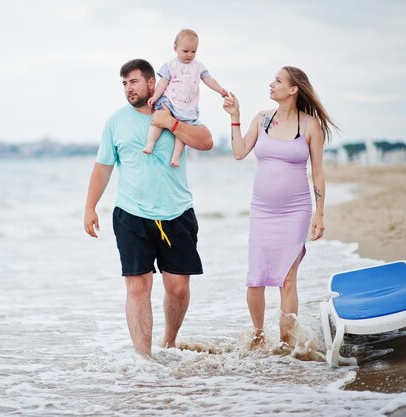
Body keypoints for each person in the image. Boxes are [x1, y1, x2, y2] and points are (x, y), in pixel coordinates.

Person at [84, 59, 214, 358]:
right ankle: (144, 359)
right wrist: (90, 207)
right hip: (131, 214)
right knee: (138, 288)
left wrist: (172, 123)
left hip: (177, 212)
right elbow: (103, 167)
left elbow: (206, 141)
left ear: (151, 83)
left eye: (134, 81)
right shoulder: (115, 121)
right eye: (124, 84)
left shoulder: (176, 111)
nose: (129, 88)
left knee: (178, 288)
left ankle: (168, 343)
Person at [222, 66, 338, 349]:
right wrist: (235, 117)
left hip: (296, 211)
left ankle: (287, 343)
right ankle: (259, 337)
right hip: (262, 211)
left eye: (277, 80)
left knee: (287, 278)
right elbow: (239, 152)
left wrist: (319, 214)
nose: (271, 84)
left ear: (293, 89)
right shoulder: (262, 119)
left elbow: (318, 173)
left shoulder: (309, 126)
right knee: (255, 278)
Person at [143, 29, 227, 167]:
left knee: (182, 132)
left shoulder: (198, 66)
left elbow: (209, 79)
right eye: (185, 51)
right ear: (175, 48)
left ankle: (176, 157)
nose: (189, 55)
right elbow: (162, 83)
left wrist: (220, 90)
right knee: (158, 120)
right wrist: (155, 97)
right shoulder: (170, 65)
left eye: (193, 52)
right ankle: (150, 144)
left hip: (187, 107)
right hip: (169, 101)